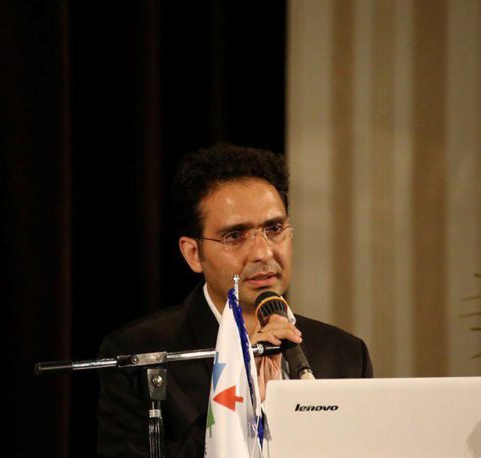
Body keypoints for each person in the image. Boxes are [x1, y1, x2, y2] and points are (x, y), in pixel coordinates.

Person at [97, 144, 373, 457]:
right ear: (193, 254)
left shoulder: (344, 354)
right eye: (235, 236)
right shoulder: (139, 353)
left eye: (274, 228)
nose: (263, 252)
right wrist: (239, 396)